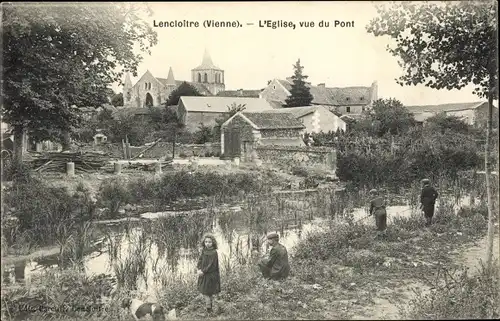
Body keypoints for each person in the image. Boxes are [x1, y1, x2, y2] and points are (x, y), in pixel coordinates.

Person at [196, 234, 221, 314]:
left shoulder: (214, 252)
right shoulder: (203, 251)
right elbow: (200, 260)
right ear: (204, 242)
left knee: (209, 292)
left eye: (209, 242)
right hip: (204, 274)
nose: (207, 243)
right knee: (205, 292)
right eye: (206, 242)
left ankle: (210, 309)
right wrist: (199, 269)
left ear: (213, 243)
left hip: (211, 275)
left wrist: (203, 271)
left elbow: (211, 265)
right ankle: (209, 308)